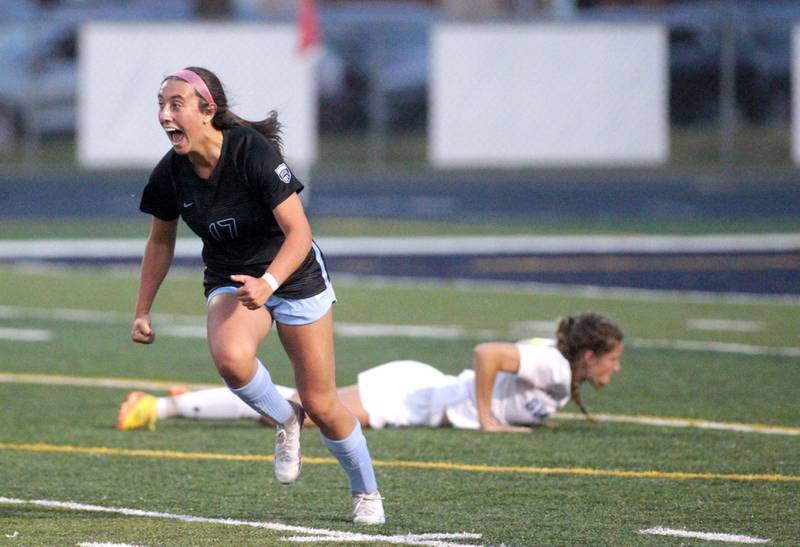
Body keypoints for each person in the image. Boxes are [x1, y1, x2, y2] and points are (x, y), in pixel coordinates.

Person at [131, 67, 383, 524]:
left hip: (294, 273)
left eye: (176, 104)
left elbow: (299, 232)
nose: (165, 115)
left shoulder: (252, 153)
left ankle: (366, 491)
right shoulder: (169, 175)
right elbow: (160, 242)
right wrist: (142, 309)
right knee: (230, 356)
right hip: (232, 276)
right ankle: (286, 417)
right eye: (161, 104)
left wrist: (268, 283)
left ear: (208, 111)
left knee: (324, 404)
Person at [120, 312, 623, 433]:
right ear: (587, 356)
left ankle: (190, 398)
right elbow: (488, 352)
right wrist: (487, 417)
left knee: (295, 410)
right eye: (613, 358)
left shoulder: (560, 375)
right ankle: (161, 406)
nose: (616, 368)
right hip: (416, 396)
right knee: (294, 413)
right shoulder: (558, 370)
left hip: (422, 391)